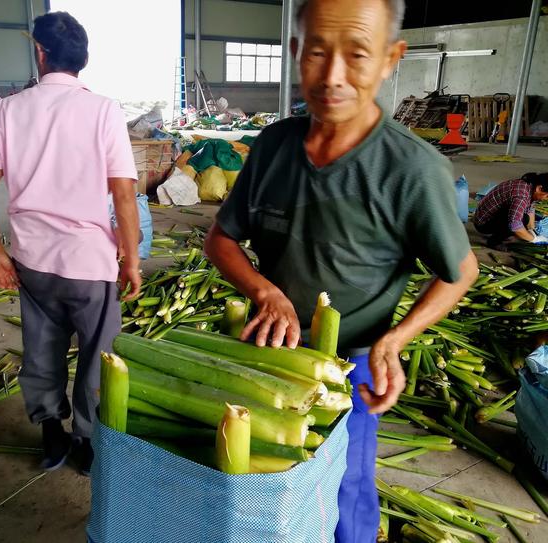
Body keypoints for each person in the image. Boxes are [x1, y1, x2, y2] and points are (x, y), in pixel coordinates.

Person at [203, 0, 479, 541]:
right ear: (296, 53)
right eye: (317, 53)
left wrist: (395, 339)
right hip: (266, 350)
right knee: (262, 485)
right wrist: (265, 292)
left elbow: (460, 271)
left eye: (356, 54)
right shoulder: (273, 147)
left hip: (348, 369)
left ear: (389, 59)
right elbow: (221, 240)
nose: (332, 77)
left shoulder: (413, 171)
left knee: (344, 490)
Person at [0, 12, 141, 475]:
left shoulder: (9, 109)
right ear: (82, 59)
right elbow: (124, 193)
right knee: (97, 355)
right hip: (90, 263)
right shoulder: (104, 110)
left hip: (33, 262)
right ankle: (85, 443)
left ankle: (51, 437)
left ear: (41, 54)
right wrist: (132, 259)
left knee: (42, 349)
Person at [473, 173, 548, 248]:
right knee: (523, 219)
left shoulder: (530, 186)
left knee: (525, 218)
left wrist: (532, 231)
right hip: (483, 223)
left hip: (493, 215)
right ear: (539, 188)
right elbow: (515, 225)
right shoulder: (521, 195)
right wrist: (534, 239)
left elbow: (530, 210)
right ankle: (494, 241)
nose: (546, 199)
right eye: (547, 196)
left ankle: (502, 233)